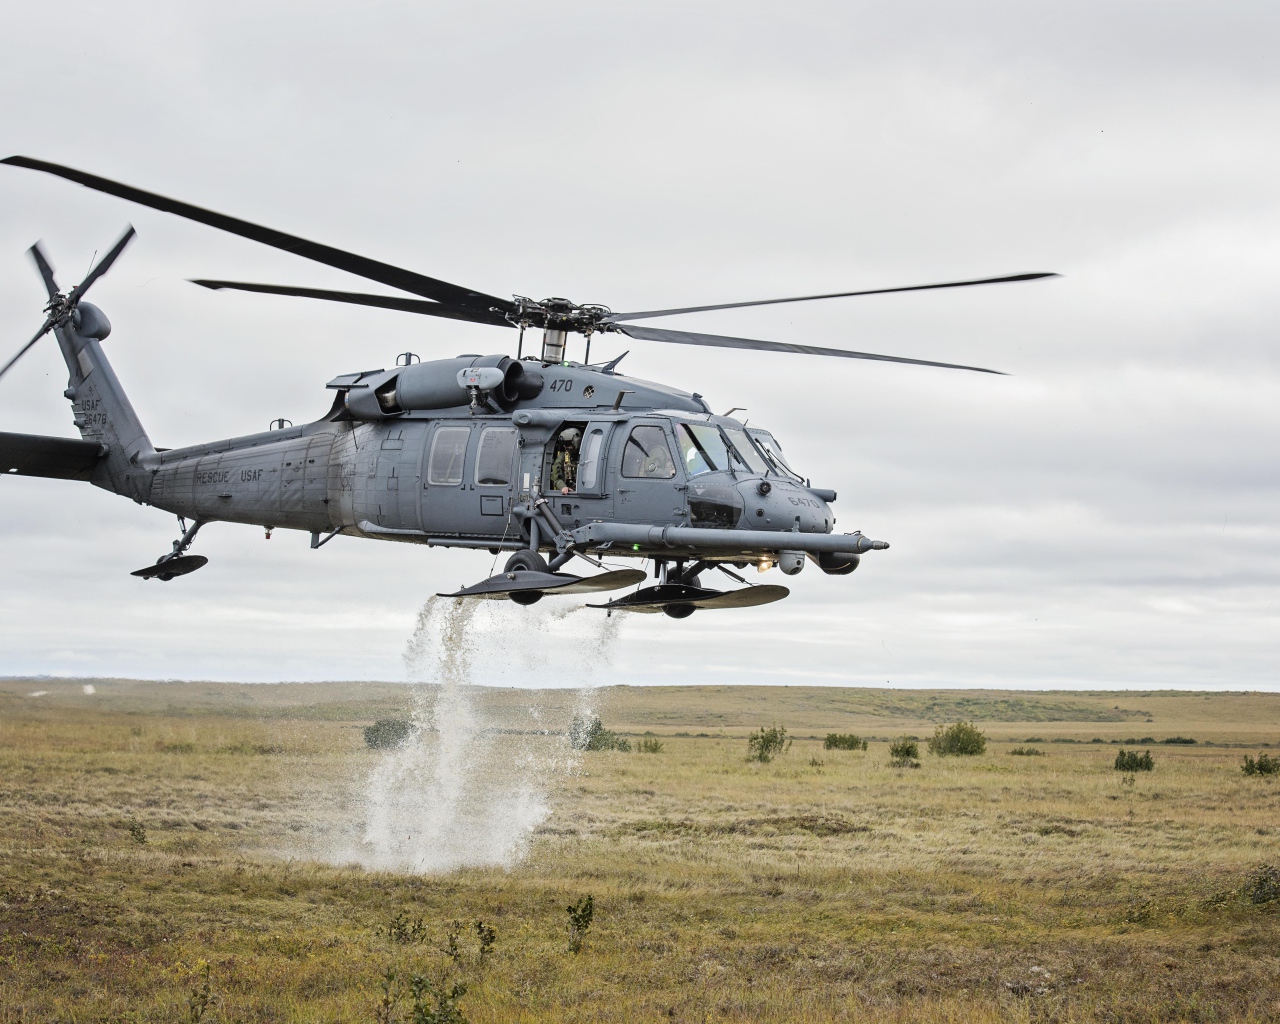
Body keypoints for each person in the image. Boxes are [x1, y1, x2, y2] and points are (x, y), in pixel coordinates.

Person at [550, 426, 582, 494]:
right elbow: (556, 477)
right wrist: (563, 487)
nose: (567, 447)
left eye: (569, 444)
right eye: (565, 444)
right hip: (571, 491)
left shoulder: (586, 455)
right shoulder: (562, 457)